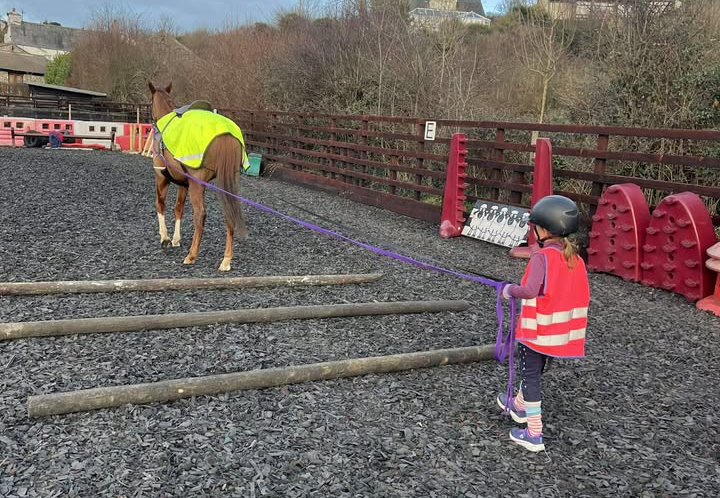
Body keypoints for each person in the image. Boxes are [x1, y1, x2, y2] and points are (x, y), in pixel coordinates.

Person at [497, 195, 590, 452]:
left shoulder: (542, 257)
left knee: (530, 376)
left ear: (545, 229)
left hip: (537, 331)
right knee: (535, 371)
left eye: (536, 226)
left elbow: (528, 290)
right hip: (559, 333)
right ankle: (519, 405)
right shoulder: (575, 259)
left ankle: (533, 433)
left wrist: (509, 290)